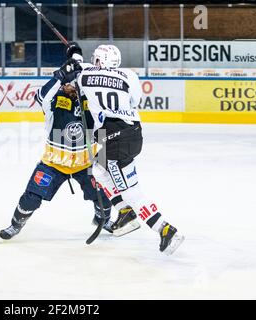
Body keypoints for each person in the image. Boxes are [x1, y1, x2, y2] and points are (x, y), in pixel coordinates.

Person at [0, 45, 140, 240]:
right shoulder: (53, 102)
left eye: (73, 83)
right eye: (67, 83)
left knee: (104, 195)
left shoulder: (91, 102)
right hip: (54, 163)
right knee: (31, 197)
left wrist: (78, 59)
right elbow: (40, 96)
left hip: (85, 163)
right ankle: (16, 224)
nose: (70, 86)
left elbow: (97, 75)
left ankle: (103, 219)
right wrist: (59, 76)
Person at [76, 44, 185, 255]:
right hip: (129, 133)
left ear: (98, 61)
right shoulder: (129, 76)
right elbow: (135, 101)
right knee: (97, 169)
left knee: (131, 191)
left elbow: (79, 68)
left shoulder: (85, 77)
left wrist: (74, 54)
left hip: (116, 140)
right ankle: (125, 212)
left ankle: (165, 229)